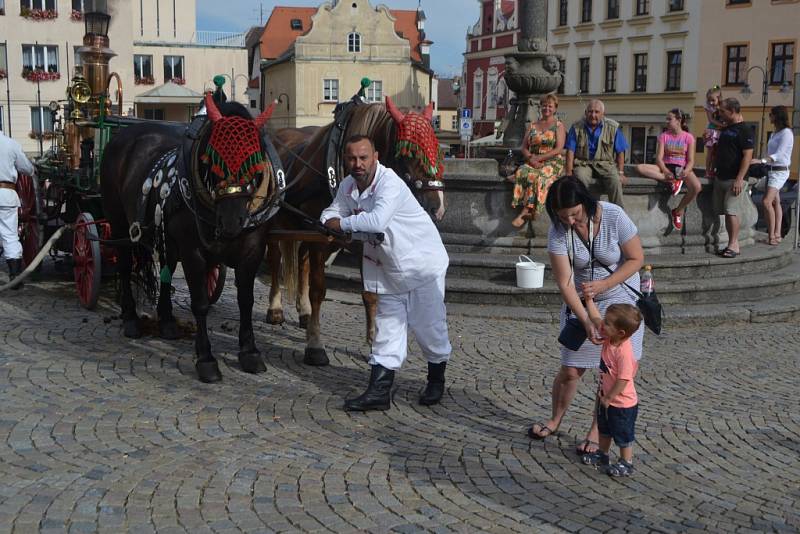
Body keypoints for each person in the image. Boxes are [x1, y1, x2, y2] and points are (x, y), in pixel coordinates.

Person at [321, 135, 452, 411]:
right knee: (386, 333)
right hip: (388, 269)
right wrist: (330, 221)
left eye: (363, 157)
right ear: (346, 160)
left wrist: (341, 225)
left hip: (421, 265)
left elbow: (376, 221)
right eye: (352, 158)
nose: (358, 164)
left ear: (376, 157)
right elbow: (330, 212)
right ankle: (379, 392)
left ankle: (436, 381)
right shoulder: (347, 186)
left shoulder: (389, 182)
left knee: (430, 329)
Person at [527, 176, 644, 457]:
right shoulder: (558, 230)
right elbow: (565, 283)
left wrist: (605, 285)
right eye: (563, 216)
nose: (569, 221)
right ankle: (555, 419)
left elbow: (636, 258)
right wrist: (586, 319)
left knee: (611, 371)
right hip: (581, 297)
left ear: (586, 203)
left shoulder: (614, 215)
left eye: (575, 214)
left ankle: (596, 430)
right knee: (570, 368)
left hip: (618, 296)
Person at [581, 299, 642, 477]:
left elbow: (624, 379)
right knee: (604, 429)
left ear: (620, 332)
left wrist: (608, 398)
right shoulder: (611, 337)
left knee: (623, 434)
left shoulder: (623, 352)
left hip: (622, 404)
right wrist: (589, 299)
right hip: (606, 398)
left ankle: (626, 462)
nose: (602, 325)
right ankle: (603, 454)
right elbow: (595, 317)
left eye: (607, 323)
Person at [634, 109, 701, 230]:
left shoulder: (688, 137)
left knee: (697, 187)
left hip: (681, 168)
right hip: (666, 167)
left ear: (678, 120)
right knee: (639, 167)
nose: (667, 122)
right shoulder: (664, 136)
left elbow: (691, 160)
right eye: (667, 119)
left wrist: (686, 171)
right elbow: (659, 159)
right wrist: (665, 171)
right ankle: (670, 180)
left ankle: (678, 211)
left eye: (670, 119)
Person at [511, 93, 566, 227]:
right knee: (522, 172)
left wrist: (540, 158)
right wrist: (531, 158)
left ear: (555, 108)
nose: (546, 108)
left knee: (540, 177)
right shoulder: (532, 126)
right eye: (544, 106)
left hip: (552, 160)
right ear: (540, 107)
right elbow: (524, 147)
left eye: (550, 106)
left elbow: (559, 148)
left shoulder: (558, 126)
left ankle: (525, 211)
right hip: (533, 160)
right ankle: (531, 210)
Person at [565, 99, 628, 208]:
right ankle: (582, 209)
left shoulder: (613, 127)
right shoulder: (576, 127)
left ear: (603, 114)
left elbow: (620, 151)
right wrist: (569, 172)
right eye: (590, 111)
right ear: (585, 113)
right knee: (579, 178)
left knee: (615, 181)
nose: (593, 115)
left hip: (605, 164)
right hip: (583, 163)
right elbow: (570, 151)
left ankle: (619, 213)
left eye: (596, 112)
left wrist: (621, 172)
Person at [713, 98, 754, 258]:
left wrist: (739, 179)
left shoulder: (744, 130)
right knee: (722, 211)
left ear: (732, 111)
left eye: (723, 111)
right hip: (721, 176)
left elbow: (747, 156)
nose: (720, 114)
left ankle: (734, 245)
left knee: (731, 211)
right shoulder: (727, 128)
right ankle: (729, 243)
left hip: (735, 179)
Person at [0, 131, 35, 289]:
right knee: (9, 234)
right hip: (6, 194)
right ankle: (14, 276)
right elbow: (27, 169)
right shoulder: (10, 144)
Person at [759, 106, 794, 246]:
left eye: (771, 115)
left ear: (777, 116)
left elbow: (779, 154)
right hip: (772, 170)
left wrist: (762, 160)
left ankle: (772, 235)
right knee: (775, 202)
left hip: (780, 171)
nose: (769, 117)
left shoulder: (787, 133)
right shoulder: (775, 133)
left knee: (766, 201)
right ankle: (777, 233)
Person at [703, 86, 725, 178]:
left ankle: (713, 170)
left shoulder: (723, 106)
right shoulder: (709, 107)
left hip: (720, 131)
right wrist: (723, 125)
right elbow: (711, 120)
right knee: (710, 152)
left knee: (717, 152)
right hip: (712, 131)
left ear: (719, 98)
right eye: (709, 100)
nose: (711, 102)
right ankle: (707, 171)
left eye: (713, 100)